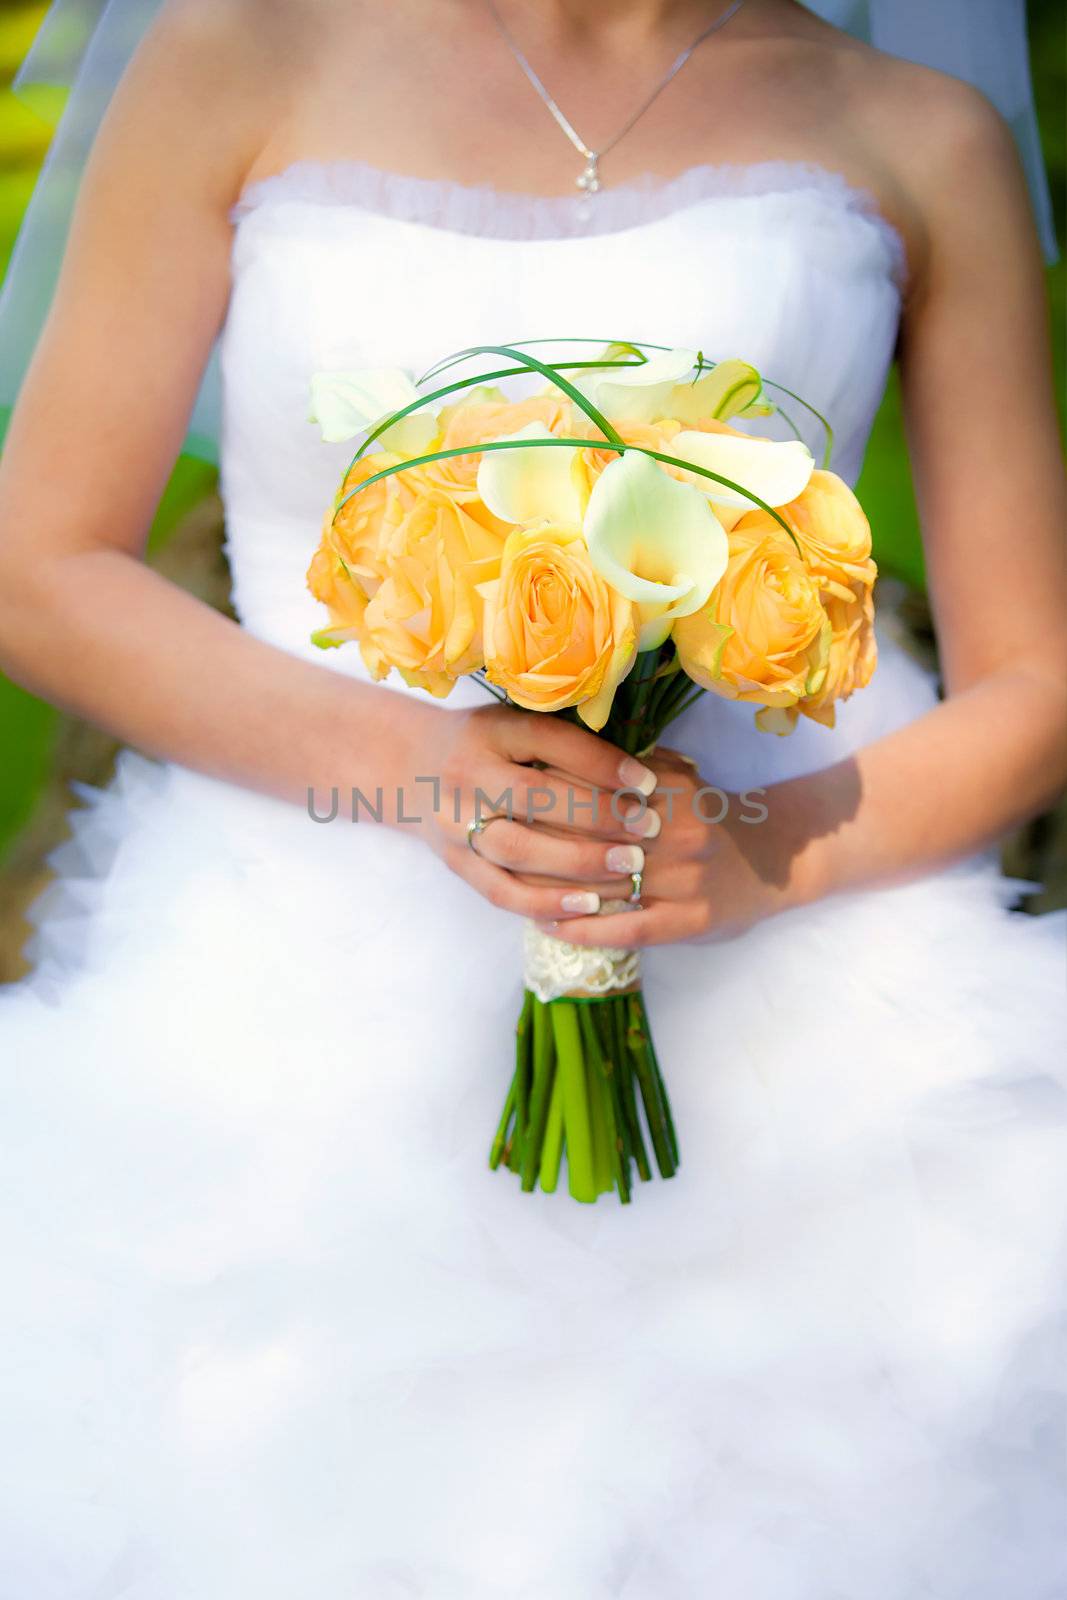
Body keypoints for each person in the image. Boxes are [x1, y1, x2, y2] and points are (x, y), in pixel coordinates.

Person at [0, 1, 1064, 1593]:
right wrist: (422, 770)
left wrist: (760, 856)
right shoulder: (240, 59)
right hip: (291, 989)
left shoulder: (913, 131)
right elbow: (40, 565)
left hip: (818, 1025)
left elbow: (1037, 684)